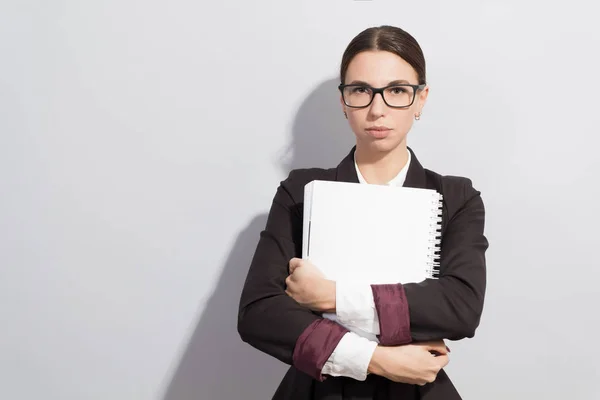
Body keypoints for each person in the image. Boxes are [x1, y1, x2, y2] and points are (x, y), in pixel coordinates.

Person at [237, 25, 489, 400]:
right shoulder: (300, 191)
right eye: (360, 91)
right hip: (317, 391)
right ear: (343, 101)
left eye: (397, 91)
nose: (377, 109)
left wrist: (331, 296)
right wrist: (376, 358)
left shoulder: (456, 196)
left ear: (421, 99)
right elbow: (259, 313)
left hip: (418, 391)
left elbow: (459, 309)